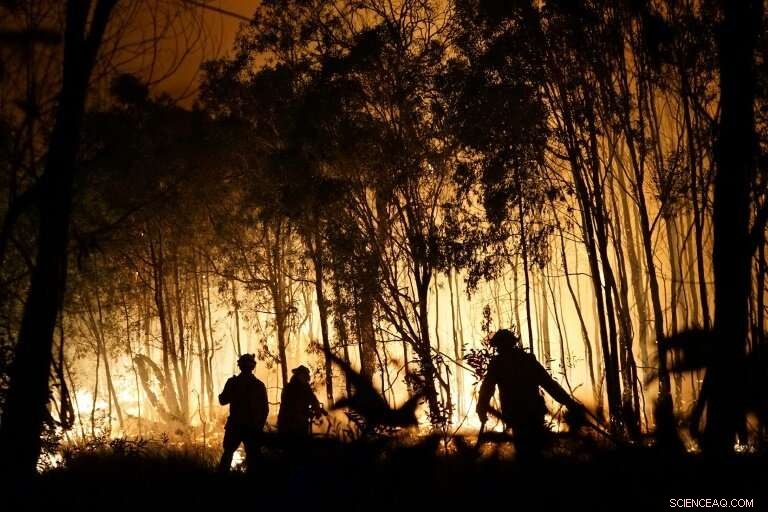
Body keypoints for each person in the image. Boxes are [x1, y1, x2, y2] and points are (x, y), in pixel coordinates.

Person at [476, 329, 584, 459]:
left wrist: (481, 406)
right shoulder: (527, 360)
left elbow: (487, 388)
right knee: (535, 452)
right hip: (533, 412)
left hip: (517, 414)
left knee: (525, 453)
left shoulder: (499, 363)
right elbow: (549, 384)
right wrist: (569, 402)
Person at [217, 353, 268, 472]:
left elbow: (223, 400)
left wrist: (222, 395)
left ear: (239, 366)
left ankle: (220, 481)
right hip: (252, 427)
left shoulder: (233, 382)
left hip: (235, 425)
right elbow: (265, 409)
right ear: (253, 367)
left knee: (228, 454)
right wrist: (258, 426)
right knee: (253, 457)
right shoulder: (259, 385)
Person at [277, 365, 325, 438]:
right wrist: (306, 412)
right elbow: (289, 406)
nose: (306, 378)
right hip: (288, 423)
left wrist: (317, 409)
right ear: (299, 375)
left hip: (300, 423)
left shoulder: (305, 387)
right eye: (305, 375)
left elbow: (313, 400)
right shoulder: (289, 388)